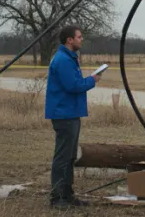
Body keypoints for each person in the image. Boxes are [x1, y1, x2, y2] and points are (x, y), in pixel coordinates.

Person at [45, 25, 102, 208]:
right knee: (62, 157)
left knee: (70, 156)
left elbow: (73, 83)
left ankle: (67, 196)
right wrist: (92, 80)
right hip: (64, 114)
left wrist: (89, 79)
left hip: (71, 113)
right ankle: (57, 199)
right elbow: (73, 86)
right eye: (79, 36)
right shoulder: (63, 60)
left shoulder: (69, 58)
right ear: (69, 40)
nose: (81, 39)